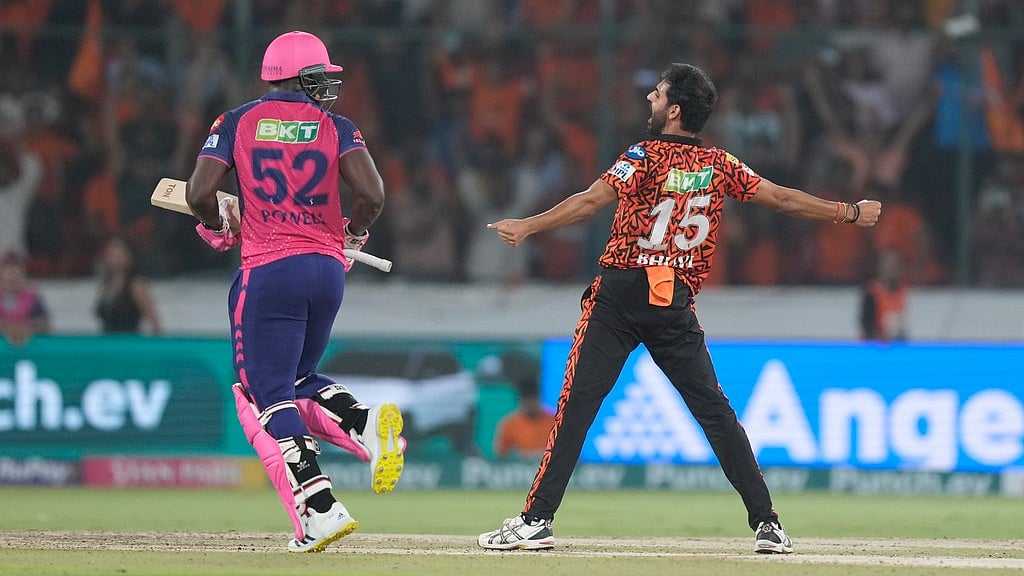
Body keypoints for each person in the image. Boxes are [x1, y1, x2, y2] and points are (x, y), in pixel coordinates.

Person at [479, 63, 882, 555]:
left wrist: (529, 226)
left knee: (576, 409)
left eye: (657, 93)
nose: (649, 97)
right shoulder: (720, 164)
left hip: (619, 297)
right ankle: (769, 525)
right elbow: (783, 199)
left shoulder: (642, 155)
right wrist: (851, 212)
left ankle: (535, 521)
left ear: (673, 110)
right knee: (715, 413)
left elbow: (590, 201)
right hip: (673, 303)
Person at [183, 30, 405, 553]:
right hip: (326, 273)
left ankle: (321, 508)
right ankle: (362, 420)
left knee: (267, 392)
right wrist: (348, 238)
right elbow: (371, 195)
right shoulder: (336, 127)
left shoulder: (235, 121)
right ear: (297, 77)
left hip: (269, 269)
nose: (326, 87)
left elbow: (197, 193)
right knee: (297, 378)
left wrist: (221, 226)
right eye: (319, 77)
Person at [94, 235, 162, 335]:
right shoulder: (108, 283)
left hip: (127, 343)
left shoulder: (135, 285)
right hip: (107, 343)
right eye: (112, 251)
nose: (114, 255)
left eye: (119, 251)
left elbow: (153, 321)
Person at [493, 352, 553, 460]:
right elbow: (501, 456)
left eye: (533, 399)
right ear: (521, 401)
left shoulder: (554, 422)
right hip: (519, 473)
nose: (530, 405)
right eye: (527, 400)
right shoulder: (509, 424)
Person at [0, 251, 50, 347]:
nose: (11, 276)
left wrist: (28, 328)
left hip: (28, 349)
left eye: (15, 270)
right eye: (7, 271)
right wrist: (7, 328)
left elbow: (44, 323)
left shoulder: (32, 297)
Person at [859, 248, 908, 342]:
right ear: (880, 266)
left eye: (895, 264)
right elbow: (865, 325)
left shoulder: (906, 293)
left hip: (900, 346)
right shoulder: (871, 292)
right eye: (888, 263)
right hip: (875, 347)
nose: (891, 267)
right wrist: (879, 336)